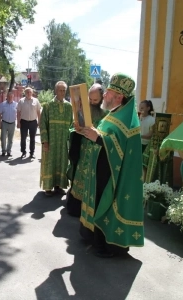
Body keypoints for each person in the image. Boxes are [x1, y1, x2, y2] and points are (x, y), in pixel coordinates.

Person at [80, 73, 144, 258]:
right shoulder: (113, 114)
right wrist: (88, 132)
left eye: (109, 92)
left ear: (119, 97)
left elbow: (120, 149)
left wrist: (98, 138)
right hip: (102, 170)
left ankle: (110, 246)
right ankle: (97, 240)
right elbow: (103, 136)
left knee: (106, 203)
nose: (105, 94)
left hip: (114, 176)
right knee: (99, 202)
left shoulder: (128, 120)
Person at [66, 84, 107, 217]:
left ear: (101, 98)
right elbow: (77, 126)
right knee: (79, 175)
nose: (92, 103)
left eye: (95, 100)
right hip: (83, 149)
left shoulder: (106, 113)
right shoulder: (83, 108)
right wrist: (76, 128)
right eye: (90, 99)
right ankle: (76, 207)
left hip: (96, 152)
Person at [39, 81, 73, 196]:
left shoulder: (69, 107)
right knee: (50, 163)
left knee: (62, 162)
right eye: (60, 90)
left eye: (64, 90)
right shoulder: (48, 105)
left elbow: (72, 125)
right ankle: (48, 187)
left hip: (63, 142)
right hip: (51, 141)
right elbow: (42, 124)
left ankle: (59, 185)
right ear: (55, 91)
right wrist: (45, 141)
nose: (62, 92)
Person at [17, 87, 41, 158]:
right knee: (23, 138)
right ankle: (23, 152)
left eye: (30, 92)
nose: (29, 93)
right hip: (24, 122)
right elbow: (18, 112)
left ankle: (32, 153)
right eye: (27, 92)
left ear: (32, 93)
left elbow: (38, 112)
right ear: (25, 93)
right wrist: (18, 122)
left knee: (32, 138)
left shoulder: (36, 101)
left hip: (33, 122)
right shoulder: (21, 101)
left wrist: (39, 121)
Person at [0, 91, 17, 157]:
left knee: (10, 139)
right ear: (7, 97)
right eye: (9, 96)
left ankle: (9, 151)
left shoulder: (16, 104)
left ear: (13, 97)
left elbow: (18, 114)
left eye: (11, 96)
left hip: (12, 123)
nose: (10, 98)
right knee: (3, 138)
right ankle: (3, 151)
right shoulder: (2, 104)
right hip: (4, 123)